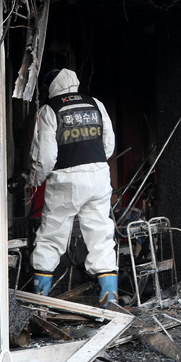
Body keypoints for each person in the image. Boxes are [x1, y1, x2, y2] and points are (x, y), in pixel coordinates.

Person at [29, 68, 118, 307]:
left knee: (52, 234)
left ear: (49, 87)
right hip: (99, 175)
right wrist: (93, 163)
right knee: (100, 233)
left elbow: (45, 157)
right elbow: (108, 145)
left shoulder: (50, 109)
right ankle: (110, 298)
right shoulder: (95, 103)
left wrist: (34, 181)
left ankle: (39, 302)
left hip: (66, 179)